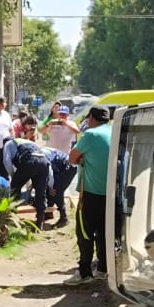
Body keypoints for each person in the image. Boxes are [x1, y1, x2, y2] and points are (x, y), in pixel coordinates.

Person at [66, 106, 113, 284]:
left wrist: (82, 157)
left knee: (85, 233)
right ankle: (103, 268)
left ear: (91, 118)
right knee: (104, 232)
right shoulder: (115, 132)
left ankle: (85, 272)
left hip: (91, 194)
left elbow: (71, 158)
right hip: (111, 195)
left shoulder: (90, 135)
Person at [2, 135, 53, 229]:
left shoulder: (7, 144)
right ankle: (39, 222)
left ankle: (12, 218)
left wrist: (14, 177)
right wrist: (50, 185)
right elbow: (47, 165)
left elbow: (6, 161)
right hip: (43, 163)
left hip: (30, 161)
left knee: (14, 189)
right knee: (41, 193)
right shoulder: (28, 142)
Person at [45, 147, 76, 229]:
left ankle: (64, 218)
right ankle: (49, 212)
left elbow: (49, 172)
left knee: (56, 190)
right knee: (48, 188)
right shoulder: (34, 154)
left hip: (69, 166)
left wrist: (51, 187)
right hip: (59, 166)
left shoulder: (40, 156)